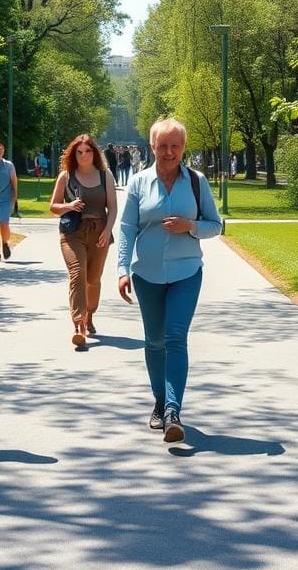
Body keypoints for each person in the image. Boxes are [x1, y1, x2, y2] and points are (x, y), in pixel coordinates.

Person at [117, 118, 222, 443]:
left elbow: (215, 225)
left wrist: (190, 225)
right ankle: (160, 401)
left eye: (175, 145)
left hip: (186, 272)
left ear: (183, 147)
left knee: (175, 337)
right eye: (162, 145)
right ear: (152, 147)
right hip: (146, 274)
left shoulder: (196, 181)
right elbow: (127, 228)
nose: (169, 151)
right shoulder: (138, 182)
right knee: (154, 341)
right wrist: (122, 269)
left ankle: (174, 411)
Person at [50, 134, 118, 350]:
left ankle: (89, 315)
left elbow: (113, 207)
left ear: (94, 153)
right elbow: (54, 206)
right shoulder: (66, 176)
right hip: (73, 233)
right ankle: (78, 326)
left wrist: (108, 230)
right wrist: (69, 206)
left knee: (93, 279)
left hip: (99, 231)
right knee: (77, 274)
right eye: (79, 152)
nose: (83, 155)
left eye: (87, 151)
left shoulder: (105, 175)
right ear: (74, 154)